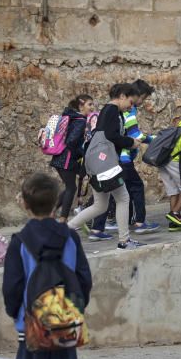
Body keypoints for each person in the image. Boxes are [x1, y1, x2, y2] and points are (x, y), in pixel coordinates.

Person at [2, 172, 101, 359]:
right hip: (64, 317)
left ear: (24, 204)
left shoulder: (20, 241)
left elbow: (12, 287)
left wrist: (15, 315)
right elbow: (84, 278)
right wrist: (75, 309)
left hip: (31, 321)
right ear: (57, 202)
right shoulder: (70, 236)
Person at [68, 83, 143, 250]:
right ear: (122, 96)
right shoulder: (112, 111)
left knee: (100, 205)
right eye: (131, 102)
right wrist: (131, 142)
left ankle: (65, 230)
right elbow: (110, 135)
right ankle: (124, 241)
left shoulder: (108, 111)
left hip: (100, 163)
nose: (131, 107)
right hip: (106, 163)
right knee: (123, 198)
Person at [90, 79, 159, 236]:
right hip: (121, 158)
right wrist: (151, 139)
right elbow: (126, 134)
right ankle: (137, 222)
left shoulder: (112, 110)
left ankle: (99, 228)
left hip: (113, 158)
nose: (134, 104)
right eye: (142, 98)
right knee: (134, 188)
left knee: (112, 195)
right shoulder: (121, 111)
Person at [51, 94, 93, 223]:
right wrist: (83, 152)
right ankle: (63, 219)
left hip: (60, 158)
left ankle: (52, 212)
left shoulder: (71, 117)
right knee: (71, 187)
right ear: (81, 105)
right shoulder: (80, 121)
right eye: (89, 104)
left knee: (71, 185)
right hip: (66, 159)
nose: (92, 107)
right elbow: (71, 141)